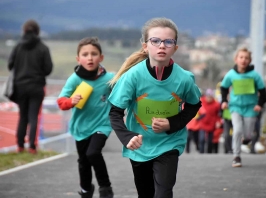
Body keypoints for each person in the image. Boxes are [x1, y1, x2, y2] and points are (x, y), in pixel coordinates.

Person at [108, 17, 201, 198]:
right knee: (146, 194)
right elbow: (115, 112)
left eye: (168, 41)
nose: (162, 46)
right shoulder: (132, 77)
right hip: (140, 145)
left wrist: (171, 123)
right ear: (145, 46)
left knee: (163, 193)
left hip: (169, 143)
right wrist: (128, 136)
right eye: (155, 41)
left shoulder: (184, 79)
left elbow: (194, 105)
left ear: (175, 47)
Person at [57, 37, 114, 198]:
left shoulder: (109, 78)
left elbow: (124, 91)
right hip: (81, 127)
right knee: (83, 162)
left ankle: (106, 188)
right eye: (85, 54)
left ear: (101, 58)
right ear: (78, 59)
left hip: (102, 125)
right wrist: (71, 101)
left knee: (93, 153)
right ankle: (86, 190)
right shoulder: (75, 79)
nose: (90, 58)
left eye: (94, 54)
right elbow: (61, 102)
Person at [7, 19, 53, 154]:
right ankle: (32, 146)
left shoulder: (17, 47)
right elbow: (48, 69)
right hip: (37, 87)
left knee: (22, 116)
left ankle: (20, 145)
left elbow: (10, 65)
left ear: (24, 30)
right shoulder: (43, 48)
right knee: (34, 117)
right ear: (38, 31)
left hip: (20, 86)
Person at [221, 47, 266, 167]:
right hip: (235, 106)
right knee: (237, 130)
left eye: (246, 58)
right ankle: (236, 156)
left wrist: (259, 105)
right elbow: (224, 87)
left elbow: (264, 94)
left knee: (247, 134)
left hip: (251, 108)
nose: (243, 60)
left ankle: (246, 139)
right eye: (241, 57)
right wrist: (224, 100)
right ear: (236, 59)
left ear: (250, 60)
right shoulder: (231, 74)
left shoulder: (254, 75)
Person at [198, 89, 220, 153]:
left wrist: (218, 121)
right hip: (203, 122)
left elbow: (218, 115)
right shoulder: (201, 101)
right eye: (208, 96)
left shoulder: (216, 104)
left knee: (210, 141)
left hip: (211, 123)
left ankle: (209, 153)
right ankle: (201, 152)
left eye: (210, 97)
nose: (209, 98)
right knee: (202, 139)